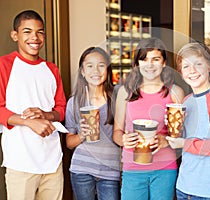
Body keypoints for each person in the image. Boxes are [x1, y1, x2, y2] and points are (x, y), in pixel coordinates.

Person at [0, 10, 66, 200]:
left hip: (52, 161)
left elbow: (61, 110)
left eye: (40, 32)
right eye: (27, 32)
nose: (34, 38)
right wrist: (29, 122)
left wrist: (46, 115)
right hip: (21, 162)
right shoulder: (4, 65)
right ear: (15, 35)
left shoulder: (52, 69)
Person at [113, 37, 185, 200]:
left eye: (156, 59)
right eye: (144, 59)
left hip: (165, 169)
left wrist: (165, 140)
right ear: (137, 64)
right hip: (132, 168)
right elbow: (116, 132)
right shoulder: (126, 92)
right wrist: (123, 140)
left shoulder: (175, 92)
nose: (150, 65)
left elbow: (182, 134)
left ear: (164, 63)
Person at [166, 42, 210, 200]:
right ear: (181, 72)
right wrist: (174, 127)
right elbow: (185, 138)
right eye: (186, 66)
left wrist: (184, 143)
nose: (192, 71)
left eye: (198, 64)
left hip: (209, 191)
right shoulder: (186, 101)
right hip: (184, 185)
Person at [64, 47, 121, 200]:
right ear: (82, 71)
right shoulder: (74, 102)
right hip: (82, 169)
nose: (95, 70)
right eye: (89, 66)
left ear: (107, 70)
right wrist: (82, 135)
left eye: (101, 65)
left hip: (111, 169)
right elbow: (69, 143)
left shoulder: (117, 101)